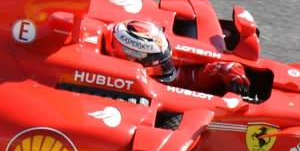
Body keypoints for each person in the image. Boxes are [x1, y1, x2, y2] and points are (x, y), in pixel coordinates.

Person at [105, 19, 250, 96]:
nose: (161, 62)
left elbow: (203, 74)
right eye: (153, 58)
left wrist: (232, 71)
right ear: (132, 57)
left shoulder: (164, 73)